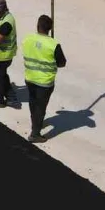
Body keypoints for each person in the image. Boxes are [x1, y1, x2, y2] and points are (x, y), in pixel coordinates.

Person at [21, 15, 67, 143]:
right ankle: (35, 134)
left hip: (30, 78)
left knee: (32, 102)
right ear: (50, 28)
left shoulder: (28, 38)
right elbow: (62, 63)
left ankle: (35, 123)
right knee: (41, 107)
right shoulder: (53, 44)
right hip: (45, 82)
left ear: (37, 26)